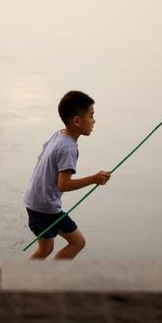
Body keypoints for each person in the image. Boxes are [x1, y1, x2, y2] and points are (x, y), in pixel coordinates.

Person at [23, 90, 111, 260]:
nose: (94, 121)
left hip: (34, 201)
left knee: (45, 249)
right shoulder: (69, 148)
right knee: (78, 242)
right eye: (91, 116)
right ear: (77, 120)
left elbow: (41, 157)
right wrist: (94, 179)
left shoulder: (59, 134)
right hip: (45, 207)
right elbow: (63, 184)